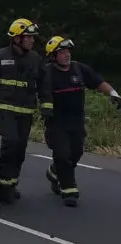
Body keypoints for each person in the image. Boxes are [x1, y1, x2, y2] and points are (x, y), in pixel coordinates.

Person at [40, 36, 121, 207]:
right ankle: (69, 191)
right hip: (56, 122)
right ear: (53, 56)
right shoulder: (46, 73)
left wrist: (114, 94)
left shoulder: (78, 68)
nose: (67, 55)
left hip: (76, 121)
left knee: (76, 152)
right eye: (62, 52)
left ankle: (54, 172)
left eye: (68, 51)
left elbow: (98, 82)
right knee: (63, 154)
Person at [0, 18, 45, 204]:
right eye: (28, 37)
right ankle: (3, 186)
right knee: (11, 142)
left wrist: (47, 106)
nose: (32, 40)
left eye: (32, 37)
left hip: (26, 112)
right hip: (4, 109)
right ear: (16, 38)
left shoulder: (35, 59)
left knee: (20, 149)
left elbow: (43, 85)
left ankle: (11, 183)